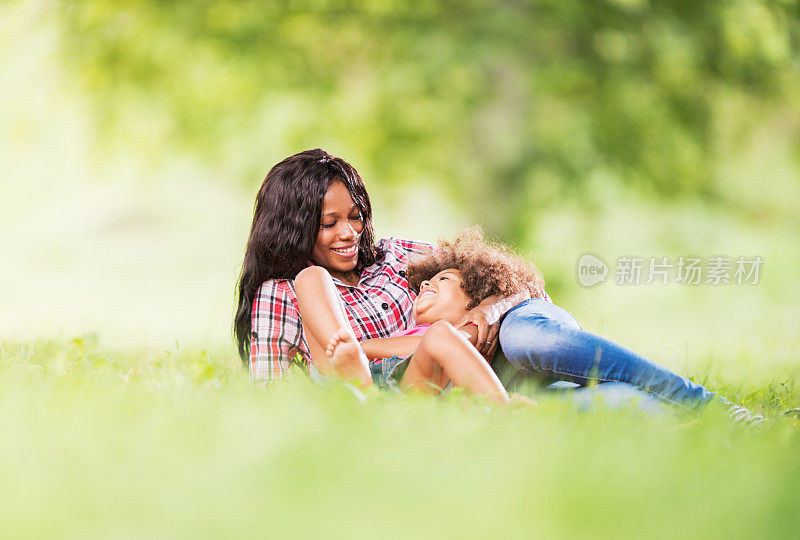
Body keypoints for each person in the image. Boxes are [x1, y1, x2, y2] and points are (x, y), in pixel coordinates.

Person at [234, 149, 762, 424]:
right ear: (294, 224)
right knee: (614, 403)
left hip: (511, 348)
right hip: (448, 395)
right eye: (329, 224)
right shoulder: (286, 293)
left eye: (355, 216)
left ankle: (712, 407)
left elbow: (518, 286)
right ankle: (693, 423)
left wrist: (488, 314)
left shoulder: (401, 255)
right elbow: (271, 398)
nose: (349, 232)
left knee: (527, 336)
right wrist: (379, 353)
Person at [293, 228, 544, 403]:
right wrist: (356, 351)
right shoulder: (419, 330)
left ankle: (504, 411)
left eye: (443, 279)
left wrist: (363, 348)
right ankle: (356, 382)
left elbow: (528, 290)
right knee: (310, 277)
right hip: (365, 373)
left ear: (473, 300)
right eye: (424, 283)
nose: (424, 285)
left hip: (406, 388)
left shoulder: (470, 330)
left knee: (439, 335)